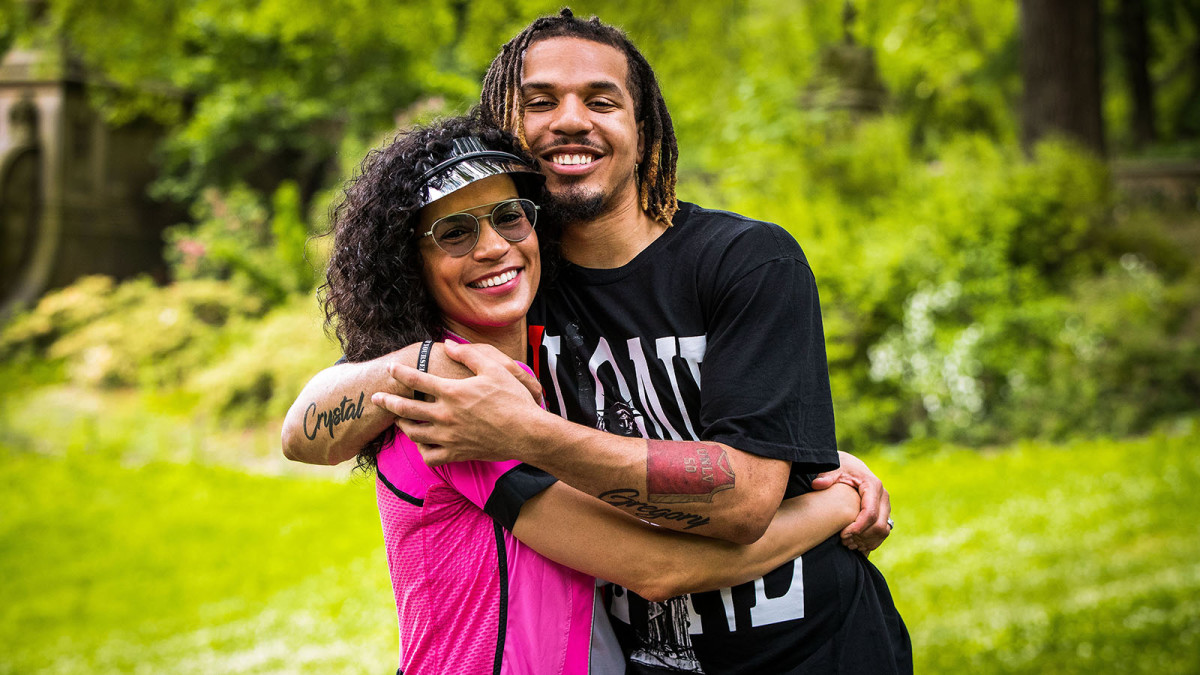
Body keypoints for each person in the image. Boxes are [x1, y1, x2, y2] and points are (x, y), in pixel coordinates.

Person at [285, 9, 911, 674]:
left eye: (602, 100)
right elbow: (303, 429)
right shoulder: (507, 295)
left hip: (818, 652)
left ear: (643, 133)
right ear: (507, 134)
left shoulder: (747, 262)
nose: (572, 119)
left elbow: (744, 495)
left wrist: (792, 462)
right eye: (541, 101)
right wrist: (427, 363)